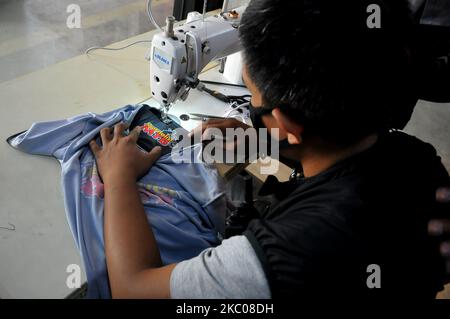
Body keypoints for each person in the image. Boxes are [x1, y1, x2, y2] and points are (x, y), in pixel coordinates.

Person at [89, 0, 450, 298]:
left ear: (289, 125)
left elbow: (132, 289)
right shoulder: (416, 158)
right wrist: (262, 139)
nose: (251, 110)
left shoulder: (278, 256)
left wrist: (119, 175)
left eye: (254, 100)